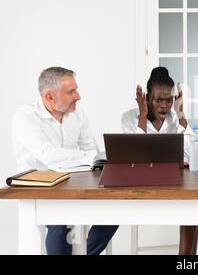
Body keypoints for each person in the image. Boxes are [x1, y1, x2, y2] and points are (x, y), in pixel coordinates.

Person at [11, 67, 118, 255]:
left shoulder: (77, 114)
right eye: (71, 92)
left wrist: (89, 156)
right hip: (38, 188)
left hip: (73, 184)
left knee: (115, 210)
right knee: (61, 223)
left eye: (76, 89)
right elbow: (48, 155)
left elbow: (91, 150)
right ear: (49, 97)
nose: (78, 96)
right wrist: (86, 157)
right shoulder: (25, 116)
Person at [121, 66, 198, 255]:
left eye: (169, 99)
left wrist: (181, 115)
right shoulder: (129, 118)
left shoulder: (176, 117)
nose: (164, 105)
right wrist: (142, 116)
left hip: (173, 182)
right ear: (147, 98)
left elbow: (193, 154)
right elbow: (134, 157)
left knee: (193, 204)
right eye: (159, 100)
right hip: (138, 184)